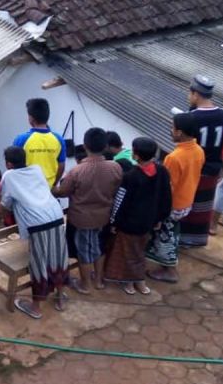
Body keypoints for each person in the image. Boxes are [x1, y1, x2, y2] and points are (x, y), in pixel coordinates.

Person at [0, 146, 67, 319]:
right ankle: (60, 298)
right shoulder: (36, 169)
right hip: (56, 215)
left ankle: (36, 308)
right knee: (58, 258)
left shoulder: (9, 176)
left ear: (8, 163)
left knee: (39, 264)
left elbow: (5, 204)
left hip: (37, 223)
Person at [53, 127, 123, 294]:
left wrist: (53, 188)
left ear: (85, 146)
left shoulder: (77, 171)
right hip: (104, 217)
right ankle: (98, 281)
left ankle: (85, 285)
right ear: (105, 146)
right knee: (100, 247)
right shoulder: (115, 167)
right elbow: (116, 188)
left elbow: (63, 192)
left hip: (81, 219)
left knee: (83, 252)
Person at [105, 137, 171, 295]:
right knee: (140, 251)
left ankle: (133, 281)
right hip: (149, 221)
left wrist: (114, 222)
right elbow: (166, 196)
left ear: (136, 155)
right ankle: (137, 282)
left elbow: (120, 201)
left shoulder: (130, 176)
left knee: (130, 253)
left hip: (130, 223)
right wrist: (160, 218)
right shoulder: (162, 171)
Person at [147, 113, 204, 283]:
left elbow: (167, 188)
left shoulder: (174, 157)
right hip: (187, 201)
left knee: (166, 236)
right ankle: (165, 265)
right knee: (172, 232)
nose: (171, 131)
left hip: (173, 205)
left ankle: (170, 270)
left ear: (179, 132)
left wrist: (158, 212)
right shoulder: (198, 150)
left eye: (172, 128)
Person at [178, 75, 223, 248]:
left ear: (195, 94)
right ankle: (199, 238)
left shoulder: (191, 117)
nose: (188, 96)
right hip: (214, 167)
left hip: (195, 168)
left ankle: (184, 239)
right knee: (204, 205)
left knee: (188, 203)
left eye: (190, 93)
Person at [13, 98, 67, 205]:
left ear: (31, 118)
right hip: (48, 193)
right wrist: (53, 184)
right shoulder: (58, 139)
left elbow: (14, 167)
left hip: (27, 194)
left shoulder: (21, 139)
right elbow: (61, 166)